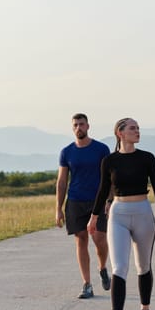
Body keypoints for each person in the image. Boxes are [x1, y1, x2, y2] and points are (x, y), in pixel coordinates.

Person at [87, 117, 155, 310]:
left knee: (143, 266)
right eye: (133, 128)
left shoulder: (147, 158)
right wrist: (94, 217)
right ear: (120, 133)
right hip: (118, 214)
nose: (137, 131)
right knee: (119, 267)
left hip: (143, 212)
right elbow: (103, 190)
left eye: (138, 128)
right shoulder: (109, 161)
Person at [56, 113, 112, 299]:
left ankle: (102, 267)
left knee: (99, 240)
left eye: (81, 124)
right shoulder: (67, 152)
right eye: (75, 125)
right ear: (72, 128)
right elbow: (62, 182)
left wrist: (109, 201)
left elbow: (110, 177)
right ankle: (87, 284)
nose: (78, 127)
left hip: (97, 201)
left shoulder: (101, 149)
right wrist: (58, 209)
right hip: (75, 201)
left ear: (88, 126)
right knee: (81, 239)